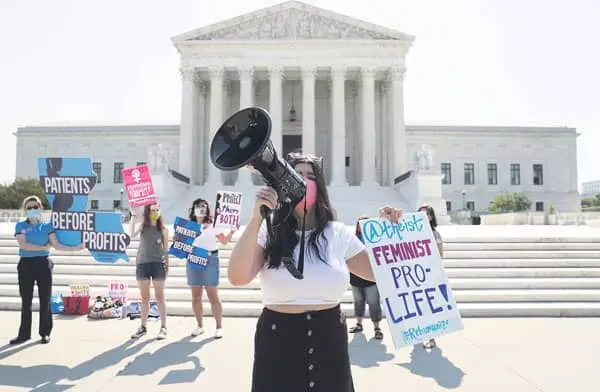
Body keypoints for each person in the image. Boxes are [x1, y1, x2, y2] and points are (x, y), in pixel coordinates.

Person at [227, 152, 402, 392]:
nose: (303, 181)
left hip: (329, 342)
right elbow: (237, 277)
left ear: (320, 186)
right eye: (296, 175)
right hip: (278, 343)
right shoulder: (269, 232)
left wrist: (390, 234)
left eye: (311, 176)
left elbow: (378, 272)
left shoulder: (338, 233)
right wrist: (257, 218)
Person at [10, 195, 84, 345]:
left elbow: (56, 244)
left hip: (43, 264)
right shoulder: (21, 226)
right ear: (25, 210)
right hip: (26, 264)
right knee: (26, 301)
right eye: (29, 207)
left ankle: (45, 333)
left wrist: (75, 248)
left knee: (45, 300)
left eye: (35, 207)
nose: (32, 210)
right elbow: (24, 245)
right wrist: (44, 247)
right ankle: (24, 334)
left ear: (41, 208)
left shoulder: (47, 226)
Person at [187, 198, 237, 339]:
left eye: (204, 206)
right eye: (199, 206)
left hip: (210, 259)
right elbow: (181, 243)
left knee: (212, 295)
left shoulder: (213, 224)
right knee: (196, 296)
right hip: (194, 259)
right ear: (194, 208)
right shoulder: (189, 225)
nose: (202, 208)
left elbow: (224, 241)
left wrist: (232, 232)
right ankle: (199, 326)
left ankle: (219, 326)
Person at [129, 203, 169, 340]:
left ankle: (163, 327)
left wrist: (167, 266)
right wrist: (133, 215)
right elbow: (131, 234)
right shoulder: (143, 226)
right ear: (148, 211)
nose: (156, 212)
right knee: (145, 298)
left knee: (160, 297)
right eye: (153, 210)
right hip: (143, 264)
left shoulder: (163, 229)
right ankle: (143, 327)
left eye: (158, 210)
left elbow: (165, 250)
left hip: (158, 264)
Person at [348, 214, 384, 340]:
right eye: (359, 223)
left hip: (371, 278)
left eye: (364, 223)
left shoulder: (376, 240)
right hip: (355, 277)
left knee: (374, 303)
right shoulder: (352, 239)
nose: (361, 225)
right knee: (358, 302)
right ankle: (359, 324)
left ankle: (377, 328)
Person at [418, 204, 444, 349]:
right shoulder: (410, 234)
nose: (422, 217)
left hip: (430, 274)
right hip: (414, 276)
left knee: (429, 307)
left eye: (425, 214)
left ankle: (431, 338)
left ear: (430, 217)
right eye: (419, 214)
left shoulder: (435, 235)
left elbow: (440, 256)